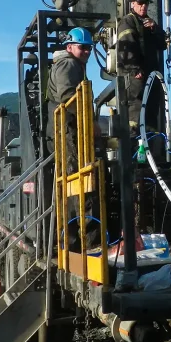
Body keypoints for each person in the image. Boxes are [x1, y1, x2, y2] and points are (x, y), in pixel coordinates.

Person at [45, 27, 100, 248]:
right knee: (78, 182)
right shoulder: (67, 64)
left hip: (68, 131)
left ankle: (73, 239)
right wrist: (90, 122)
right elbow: (68, 95)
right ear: (69, 47)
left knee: (72, 183)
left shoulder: (74, 65)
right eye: (82, 47)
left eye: (89, 48)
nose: (86, 51)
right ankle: (81, 241)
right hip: (68, 132)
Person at [117, 0, 168, 136]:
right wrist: (134, 69)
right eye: (140, 3)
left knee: (150, 115)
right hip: (136, 78)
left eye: (146, 3)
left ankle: (149, 144)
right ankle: (133, 144)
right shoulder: (128, 22)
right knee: (135, 112)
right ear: (133, 3)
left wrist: (155, 29)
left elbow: (162, 44)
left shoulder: (149, 24)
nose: (143, 6)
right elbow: (126, 46)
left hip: (151, 77)